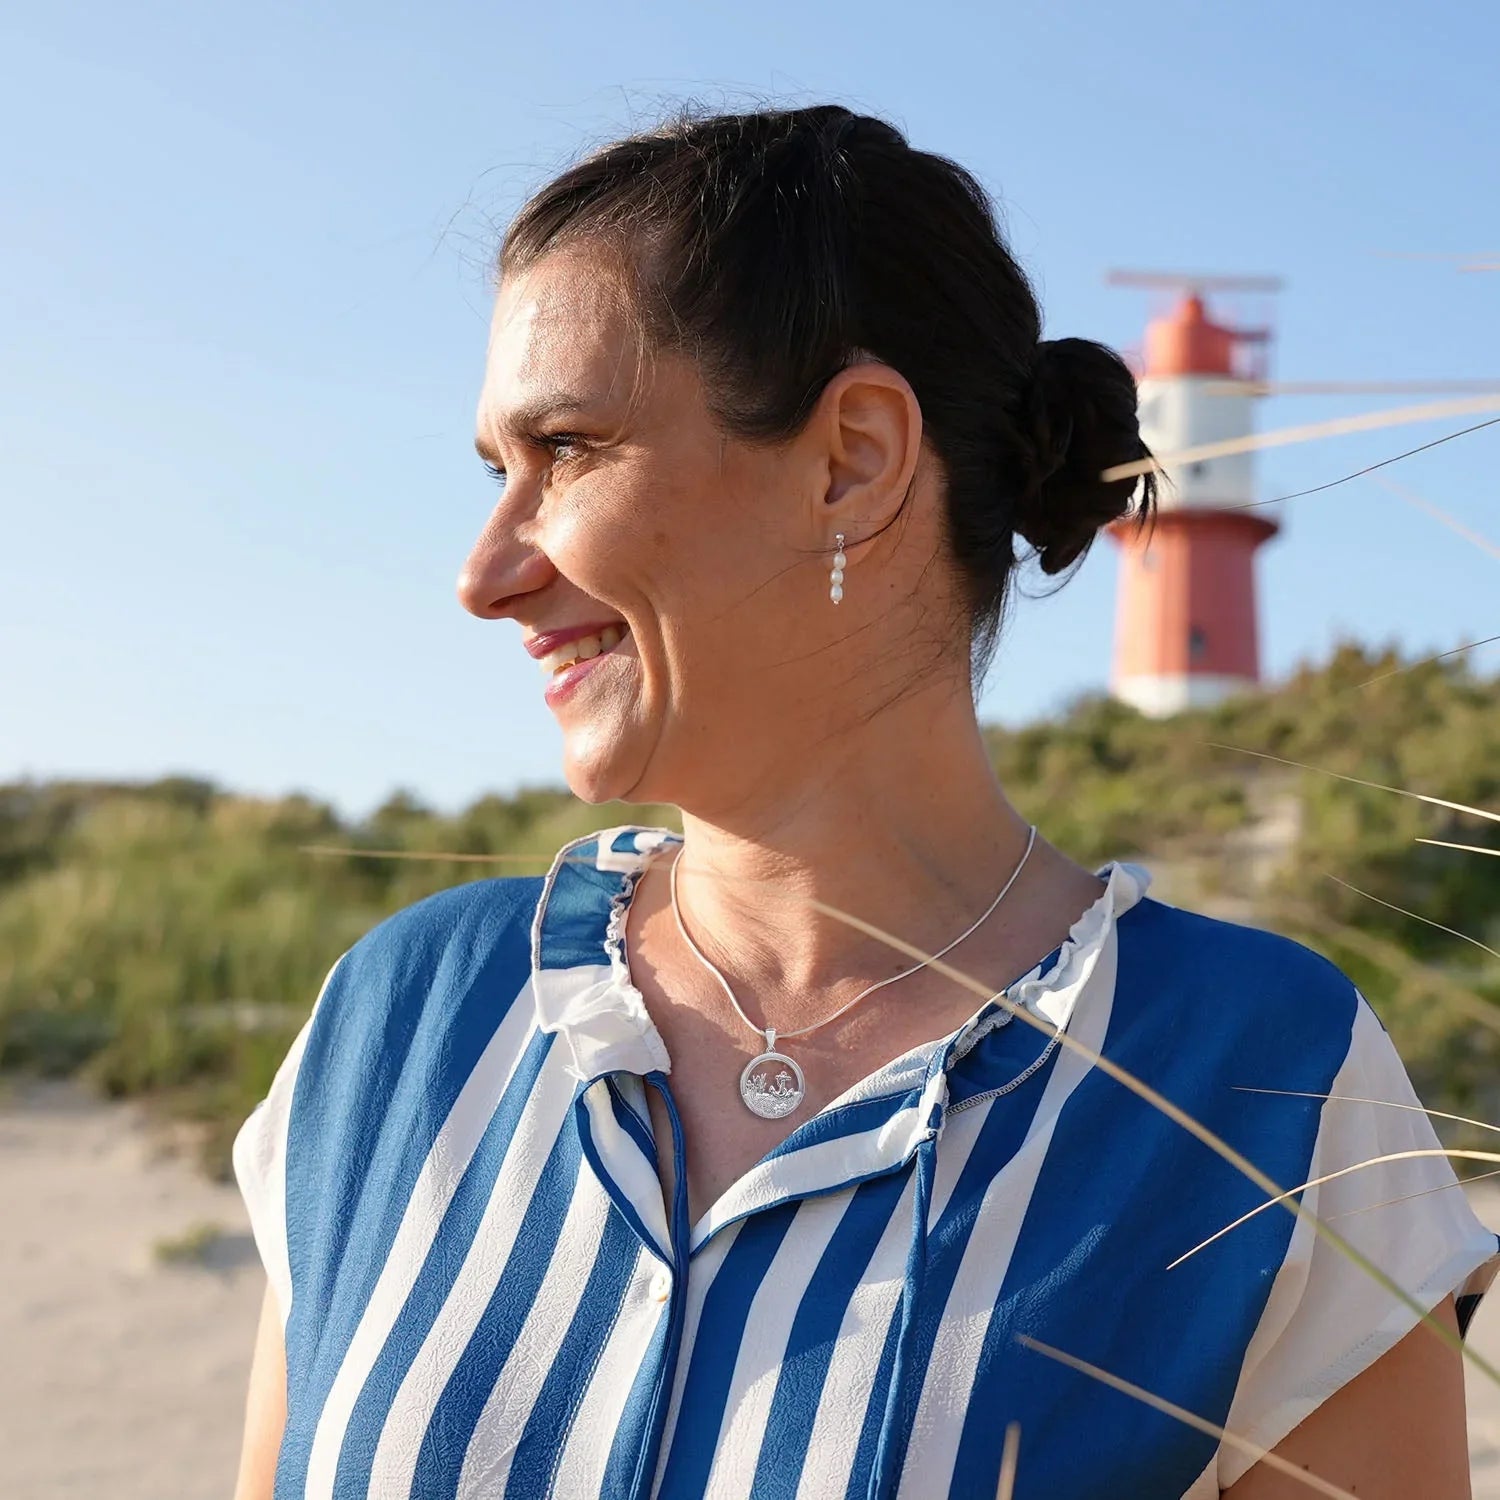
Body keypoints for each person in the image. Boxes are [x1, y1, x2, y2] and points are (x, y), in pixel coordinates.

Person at [232, 106, 1498, 1500]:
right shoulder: (400, 1021)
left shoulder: (1269, 1086)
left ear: (854, 458)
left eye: (570, 450)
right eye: (495, 472)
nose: (484, 572)